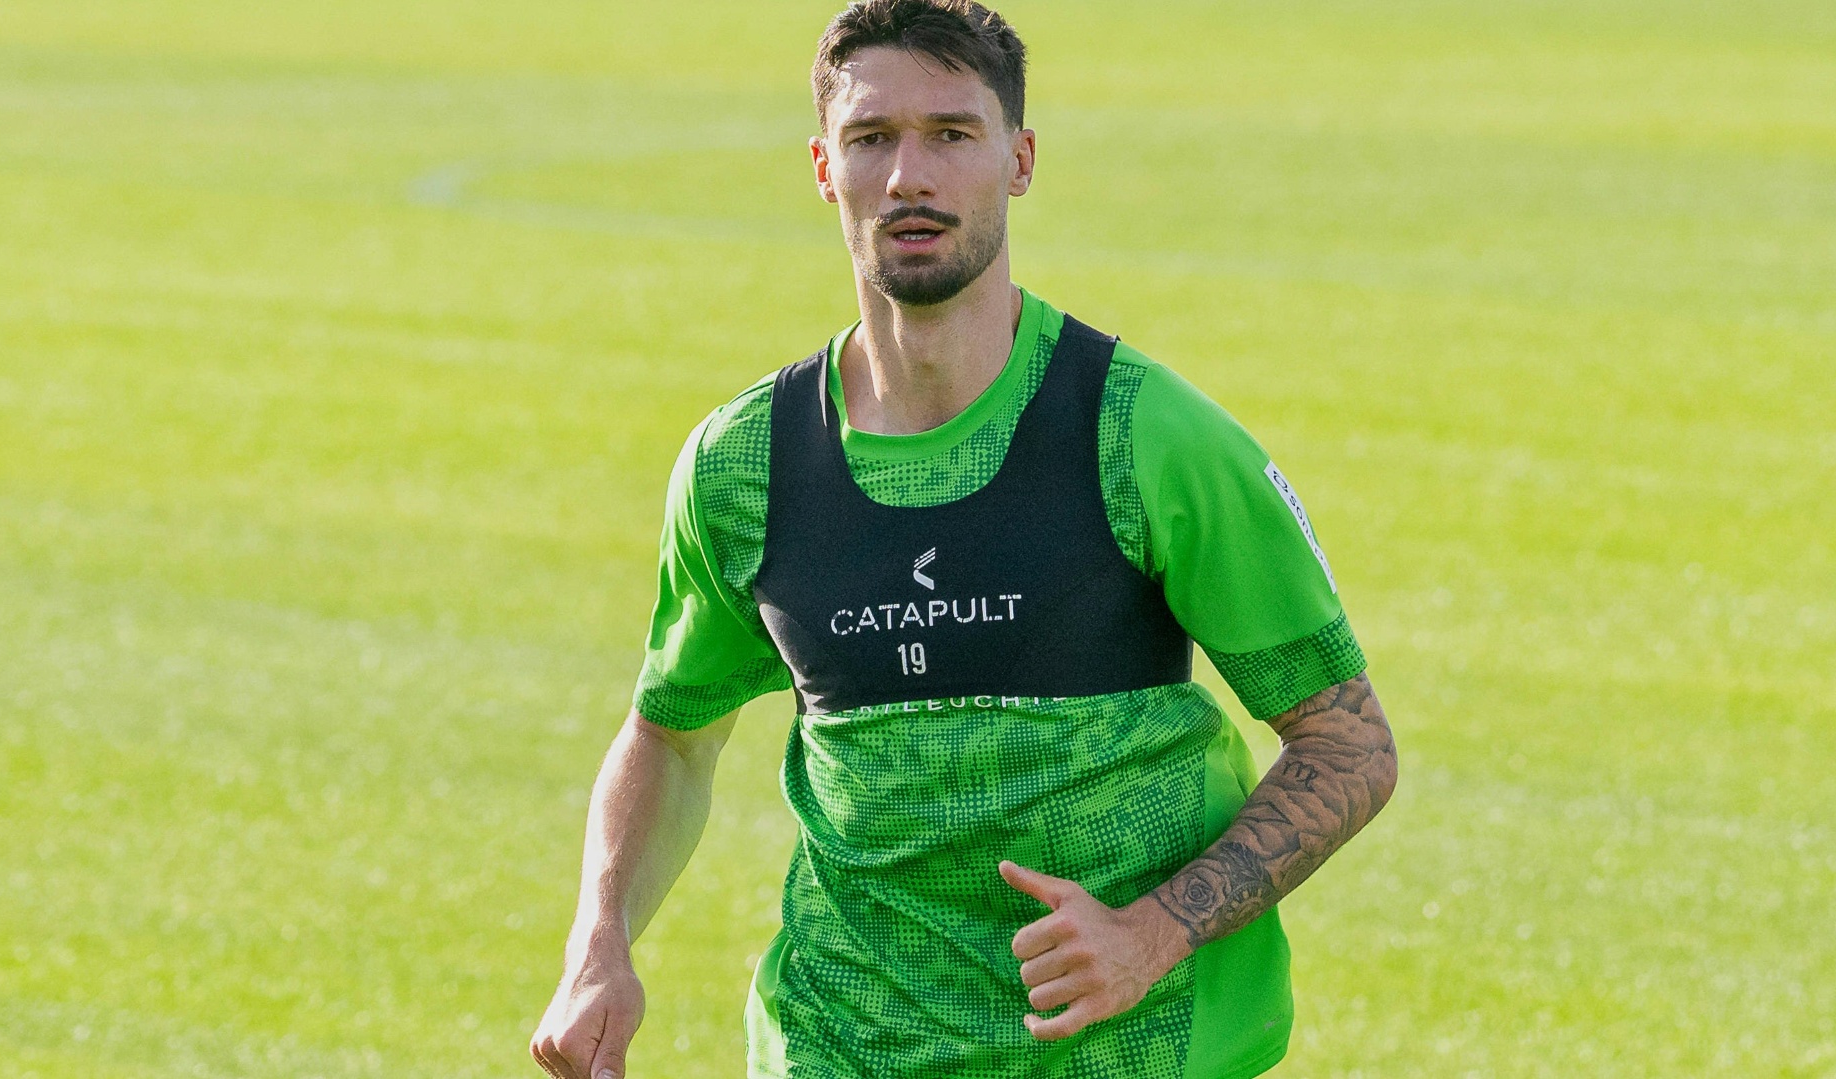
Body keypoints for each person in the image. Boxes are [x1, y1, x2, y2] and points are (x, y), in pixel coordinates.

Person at [531, 2, 1397, 1077]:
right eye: (871, 138)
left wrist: (1154, 931)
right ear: (824, 168)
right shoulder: (744, 464)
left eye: (951, 133)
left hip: (1131, 1052)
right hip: (839, 1047)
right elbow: (671, 734)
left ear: (1019, 160)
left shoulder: (1147, 434)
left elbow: (1349, 743)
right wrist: (599, 944)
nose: (910, 176)